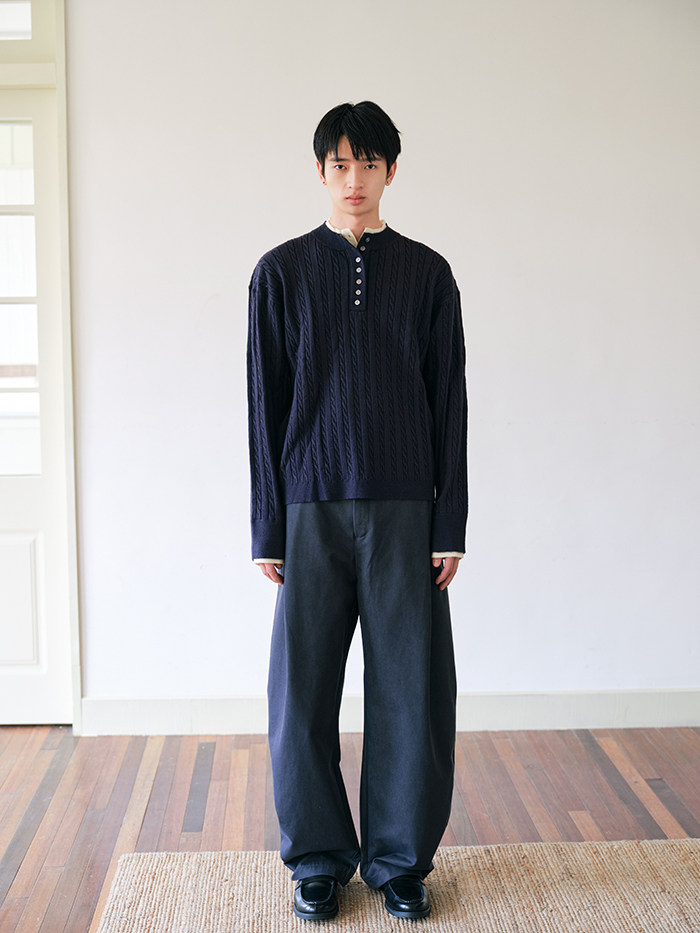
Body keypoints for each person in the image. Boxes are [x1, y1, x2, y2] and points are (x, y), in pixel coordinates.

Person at [247, 100, 467, 921]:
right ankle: (316, 860)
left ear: (391, 171)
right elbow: (263, 405)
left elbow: (450, 403)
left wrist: (451, 523)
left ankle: (400, 861)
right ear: (320, 171)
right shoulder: (279, 273)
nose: (354, 178)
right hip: (309, 509)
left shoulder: (428, 274)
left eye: (368, 163)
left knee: (412, 690)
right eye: (340, 164)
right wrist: (267, 524)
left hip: (407, 507)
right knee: (301, 694)